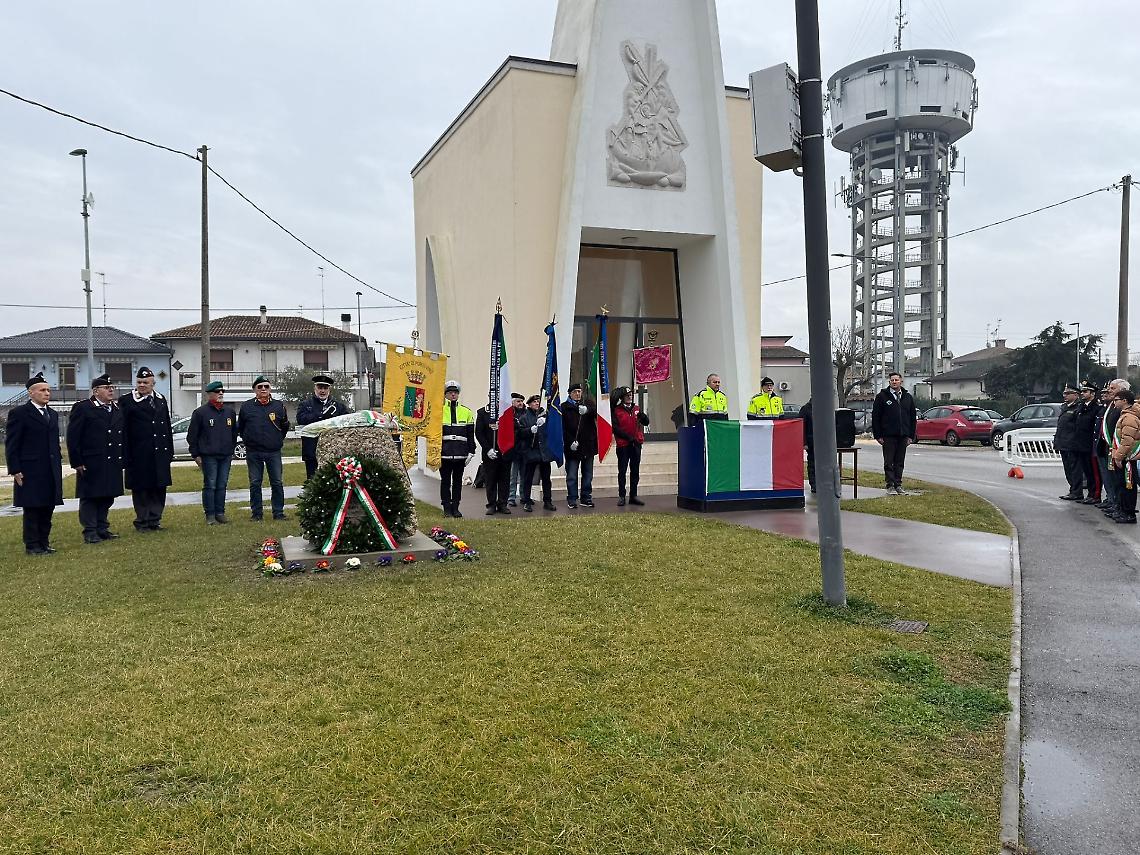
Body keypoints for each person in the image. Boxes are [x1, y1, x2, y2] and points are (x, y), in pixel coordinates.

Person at [6, 373, 63, 555]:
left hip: (50, 469)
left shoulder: (52, 414)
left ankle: (44, 542)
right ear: (31, 393)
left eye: (48, 390)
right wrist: (15, 469)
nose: (47, 393)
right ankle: (32, 545)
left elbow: (53, 442)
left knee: (47, 507)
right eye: (42, 390)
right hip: (30, 470)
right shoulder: (19, 414)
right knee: (32, 508)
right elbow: (12, 444)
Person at [66, 374, 125, 544]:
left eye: (112, 387)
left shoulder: (116, 408)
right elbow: (73, 437)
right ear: (96, 391)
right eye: (107, 388)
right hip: (92, 461)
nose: (111, 390)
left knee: (108, 496)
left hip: (112, 459)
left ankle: (102, 527)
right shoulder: (83, 408)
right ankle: (90, 530)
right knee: (91, 497)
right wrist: (76, 461)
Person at [119, 366, 174, 532]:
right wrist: (125, 455)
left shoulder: (161, 399)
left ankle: (154, 519)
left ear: (153, 383)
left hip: (159, 453)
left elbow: (166, 426)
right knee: (142, 489)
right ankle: (142, 521)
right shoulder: (127, 401)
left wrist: (169, 452)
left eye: (145, 382)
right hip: (139, 454)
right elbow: (123, 429)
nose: (142, 385)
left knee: (159, 487)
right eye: (139, 382)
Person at [237, 375, 290, 521]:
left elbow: (285, 426)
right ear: (255, 390)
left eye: (266, 386)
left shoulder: (279, 406)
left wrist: (277, 439)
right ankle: (256, 514)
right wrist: (248, 440)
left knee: (277, 482)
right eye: (260, 387)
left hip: (273, 451)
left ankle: (278, 513)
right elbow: (240, 427)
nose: (263, 389)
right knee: (255, 483)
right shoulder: (246, 406)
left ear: (270, 388)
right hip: (254, 452)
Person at [188, 380, 239, 525]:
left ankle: (220, 512)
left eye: (222, 391)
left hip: (225, 456)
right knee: (210, 484)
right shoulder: (200, 413)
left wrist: (230, 449)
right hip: (209, 456)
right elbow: (192, 436)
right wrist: (196, 454)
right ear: (210, 394)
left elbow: (233, 433)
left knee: (222, 484)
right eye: (217, 391)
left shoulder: (229, 412)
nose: (221, 393)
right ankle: (210, 515)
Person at [870, 372, 917, 495]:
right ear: (889, 382)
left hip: (903, 435)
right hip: (888, 435)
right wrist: (878, 435)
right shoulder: (882, 397)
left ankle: (898, 485)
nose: (894, 382)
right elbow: (876, 417)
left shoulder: (907, 397)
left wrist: (911, 436)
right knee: (889, 461)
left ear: (901, 381)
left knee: (899, 461)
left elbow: (912, 418)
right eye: (892, 380)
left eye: (896, 380)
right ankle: (890, 485)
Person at [296, 374, 351, 479]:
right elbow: (301, 419)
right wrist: (320, 415)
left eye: (325, 388)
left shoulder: (338, 406)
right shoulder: (305, 404)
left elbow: (347, 421)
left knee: (332, 479)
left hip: (333, 450)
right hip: (311, 449)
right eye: (320, 387)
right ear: (315, 388)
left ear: (329, 389)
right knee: (312, 480)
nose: (322, 391)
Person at [439, 379, 476, 518]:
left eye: (455, 392)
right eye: (450, 392)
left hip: (460, 454)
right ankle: (446, 508)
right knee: (445, 481)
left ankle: (456, 507)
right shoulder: (439, 411)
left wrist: (472, 452)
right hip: (444, 454)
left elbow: (470, 434)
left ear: (458, 394)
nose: (453, 395)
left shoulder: (466, 412)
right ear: (445, 394)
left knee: (457, 482)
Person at [561, 382, 598, 509]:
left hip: (588, 446)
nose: (578, 394)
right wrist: (570, 441)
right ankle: (572, 498)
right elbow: (563, 429)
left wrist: (587, 410)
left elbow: (596, 413)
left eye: (579, 391)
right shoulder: (564, 407)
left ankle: (586, 497)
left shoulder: (587, 404)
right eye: (575, 392)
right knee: (571, 475)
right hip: (573, 447)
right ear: (570, 394)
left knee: (588, 474)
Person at [518, 394, 556, 512]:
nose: (537, 403)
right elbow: (520, 434)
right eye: (534, 402)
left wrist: (546, 422)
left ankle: (547, 501)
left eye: (538, 401)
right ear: (529, 404)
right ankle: (527, 500)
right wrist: (530, 430)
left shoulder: (545, 415)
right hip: (531, 451)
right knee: (528, 478)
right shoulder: (524, 417)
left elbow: (552, 431)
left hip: (544, 451)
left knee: (546, 478)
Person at [613, 386, 650, 506]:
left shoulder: (637, 408)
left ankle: (633, 495)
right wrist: (628, 437)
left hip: (636, 444)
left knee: (635, 471)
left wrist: (644, 418)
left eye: (631, 394)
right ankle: (622, 496)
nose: (630, 396)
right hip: (623, 445)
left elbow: (646, 422)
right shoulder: (617, 410)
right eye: (627, 395)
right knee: (622, 471)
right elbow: (615, 428)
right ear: (622, 397)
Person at [1097, 380, 1129, 515]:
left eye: (1112, 388)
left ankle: (1121, 506)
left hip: (1117, 448)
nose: (1109, 390)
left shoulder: (1123, 409)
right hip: (1108, 447)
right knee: (1111, 478)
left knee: (1120, 481)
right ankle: (1114, 502)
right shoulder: (1111, 405)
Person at [1109, 388, 1140, 524]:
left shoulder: (1130, 418)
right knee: (1122, 485)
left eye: (1116, 400)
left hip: (1128, 458)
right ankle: (1123, 510)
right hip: (1124, 457)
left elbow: (1127, 440)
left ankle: (1129, 513)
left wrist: (1119, 456)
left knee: (1128, 486)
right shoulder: (1124, 415)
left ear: (1124, 401)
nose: (1114, 402)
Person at [475, 402, 512, 515]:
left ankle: (502, 504)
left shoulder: (507, 412)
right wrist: (488, 449)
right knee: (490, 479)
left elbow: (513, 429)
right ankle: (491, 504)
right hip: (490, 452)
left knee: (504, 479)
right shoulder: (482, 412)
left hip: (505, 451)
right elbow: (479, 433)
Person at [1054, 385, 1087, 501]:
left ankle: (1077, 491)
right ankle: (1073, 489)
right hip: (1063, 443)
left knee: (1075, 469)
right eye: (1064, 394)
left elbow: (1077, 427)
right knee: (1068, 469)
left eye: (1068, 394)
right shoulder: (1065, 407)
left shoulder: (1078, 408)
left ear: (1076, 395)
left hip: (1072, 443)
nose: (1065, 396)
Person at [1076, 382, 1102, 504]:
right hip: (1081, 444)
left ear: (1092, 393)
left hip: (1091, 444)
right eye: (1082, 392)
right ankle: (1090, 494)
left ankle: (1095, 495)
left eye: (1085, 392)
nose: (1082, 394)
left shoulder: (1096, 408)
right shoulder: (1081, 407)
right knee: (1086, 470)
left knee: (1093, 472)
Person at [505, 393, 527, 506]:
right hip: (514, 450)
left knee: (524, 475)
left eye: (521, 401)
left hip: (525, 450)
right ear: (513, 402)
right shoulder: (510, 414)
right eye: (518, 401)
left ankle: (524, 496)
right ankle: (511, 497)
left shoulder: (526, 413)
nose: (520, 403)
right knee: (513, 476)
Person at [799, 399, 816, 493]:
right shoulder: (806, 409)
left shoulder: (822, 408)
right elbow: (801, 427)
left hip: (822, 441)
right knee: (812, 463)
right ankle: (814, 484)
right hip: (811, 441)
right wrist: (804, 442)